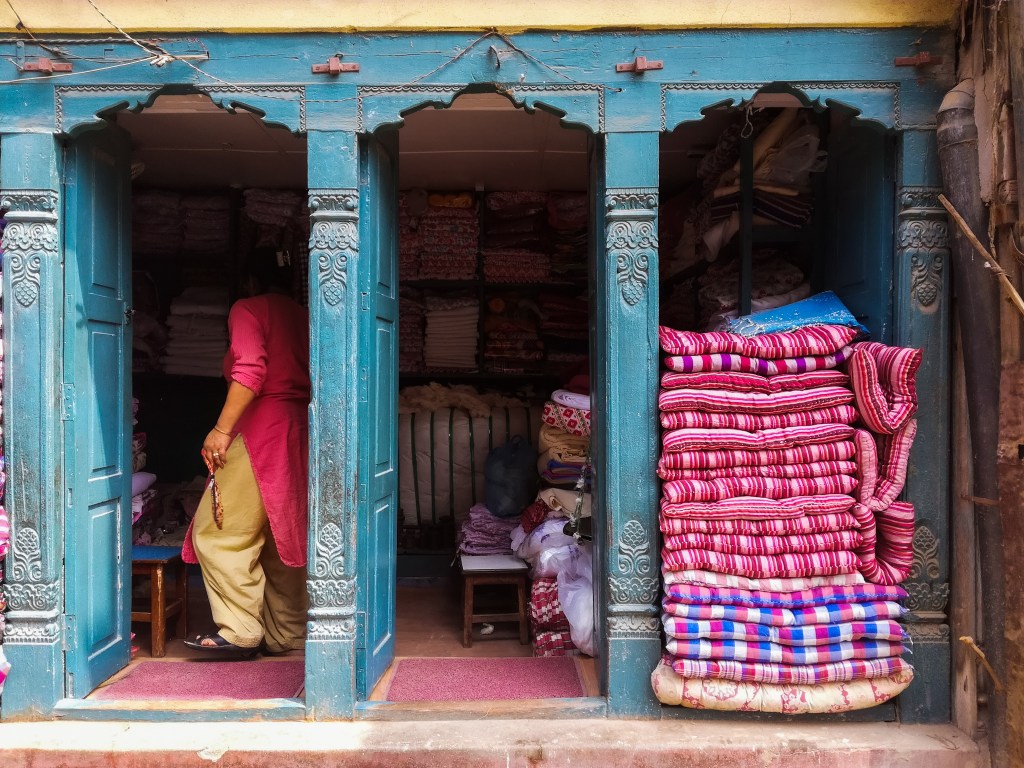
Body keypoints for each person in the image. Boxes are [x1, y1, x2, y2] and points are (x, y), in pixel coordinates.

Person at [182, 247, 311, 656]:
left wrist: (220, 430)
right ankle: (285, 631)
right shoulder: (305, 315)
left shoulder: (248, 308)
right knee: (280, 535)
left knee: (219, 532)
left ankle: (239, 629)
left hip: (259, 430)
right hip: (297, 429)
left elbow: (250, 371)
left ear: (251, 282)